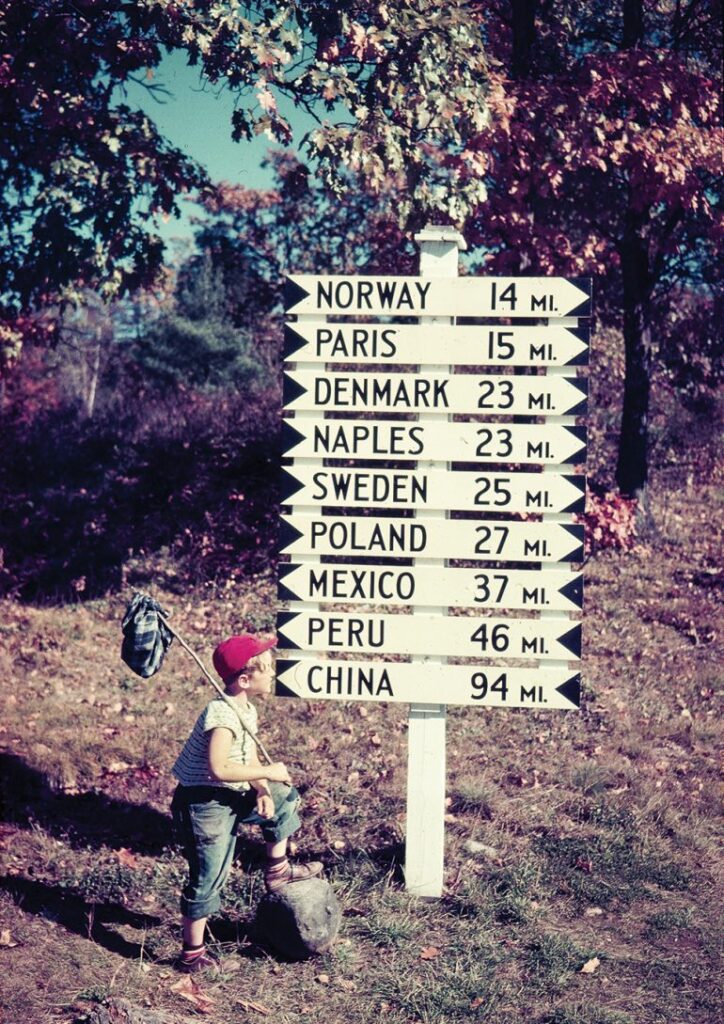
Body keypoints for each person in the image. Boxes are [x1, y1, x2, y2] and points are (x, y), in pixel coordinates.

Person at [170, 633, 323, 973]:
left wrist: (263, 788)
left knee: (284, 798)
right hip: (204, 803)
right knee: (209, 874)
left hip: (234, 793)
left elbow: (248, 755)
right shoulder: (222, 715)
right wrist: (268, 770)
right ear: (244, 679)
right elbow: (218, 767)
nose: (273, 673)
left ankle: (278, 871)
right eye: (267, 668)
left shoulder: (246, 709)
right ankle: (191, 956)